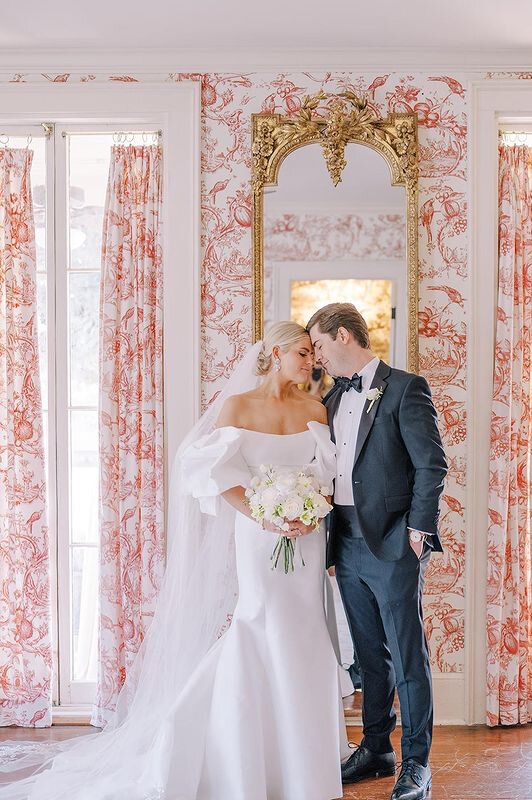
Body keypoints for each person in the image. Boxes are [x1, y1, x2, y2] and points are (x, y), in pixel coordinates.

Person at [0, 322, 348, 800]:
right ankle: (231, 753)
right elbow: (217, 473)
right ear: (276, 352)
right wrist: (265, 517)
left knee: (305, 631)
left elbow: (325, 477)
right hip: (259, 535)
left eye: (313, 355)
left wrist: (310, 514)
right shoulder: (238, 407)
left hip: (307, 538)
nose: (311, 363)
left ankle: (302, 768)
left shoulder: (315, 409)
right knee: (258, 624)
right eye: (303, 353)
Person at [308, 303, 448, 800]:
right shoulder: (329, 397)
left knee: (407, 656)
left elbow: (432, 465)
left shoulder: (406, 388)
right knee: (369, 658)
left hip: (393, 543)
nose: (317, 356)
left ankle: (416, 764)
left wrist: (419, 530)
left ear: (343, 335)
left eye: (320, 345)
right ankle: (375, 749)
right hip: (343, 541)